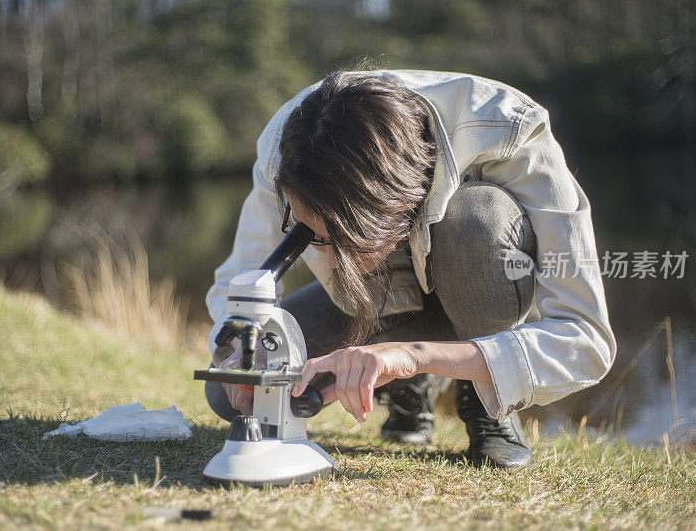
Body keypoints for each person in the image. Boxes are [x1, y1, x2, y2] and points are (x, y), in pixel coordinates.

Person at [204, 69, 616, 471]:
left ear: (404, 205)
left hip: (486, 284)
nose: (329, 263)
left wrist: (415, 355)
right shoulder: (289, 147)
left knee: (477, 218)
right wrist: (241, 345)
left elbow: (585, 341)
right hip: (373, 303)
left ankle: (486, 401)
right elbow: (238, 277)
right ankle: (406, 391)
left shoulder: (512, 131)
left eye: (348, 242)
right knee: (232, 393)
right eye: (313, 235)